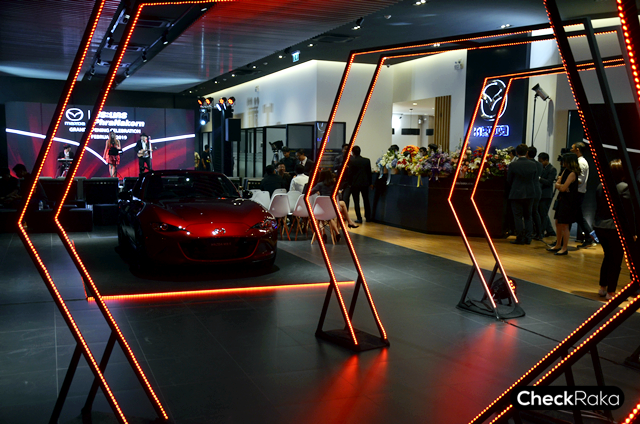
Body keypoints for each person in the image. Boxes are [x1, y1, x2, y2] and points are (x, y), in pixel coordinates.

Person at [594, 159, 635, 300]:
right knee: (616, 261)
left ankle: (602, 288)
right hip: (614, 228)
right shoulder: (624, 187)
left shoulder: (601, 186)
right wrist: (632, 232)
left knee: (607, 257)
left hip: (599, 226)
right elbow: (628, 212)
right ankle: (611, 292)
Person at [310, 169, 359, 243]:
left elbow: (310, 192)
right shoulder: (334, 184)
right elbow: (339, 196)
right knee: (335, 211)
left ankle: (323, 233)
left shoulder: (320, 185)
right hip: (333, 209)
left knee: (320, 216)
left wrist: (317, 192)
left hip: (322, 210)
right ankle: (343, 226)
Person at [547, 153, 580, 256]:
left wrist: (560, 185)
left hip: (568, 202)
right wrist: (560, 185)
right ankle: (558, 245)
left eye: (564, 161)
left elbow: (562, 187)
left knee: (565, 225)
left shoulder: (573, 173)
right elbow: (559, 185)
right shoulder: (565, 171)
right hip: (562, 199)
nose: (562, 162)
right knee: (557, 222)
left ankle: (564, 248)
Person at [507, 144, 537, 245]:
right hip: (530, 192)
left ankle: (520, 238)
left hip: (516, 193)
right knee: (528, 216)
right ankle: (528, 238)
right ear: (527, 152)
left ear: (516, 153)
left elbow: (509, 180)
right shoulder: (533, 164)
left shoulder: (513, 165)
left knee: (518, 217)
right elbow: (534, 178)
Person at [571, 141, 597, 248]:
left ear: (577, 150)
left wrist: (568, 180)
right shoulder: (580, 161)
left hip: (577, 193)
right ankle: (590, 237)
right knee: (579, 218)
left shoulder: (581, 162)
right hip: (577, 193)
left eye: (572, 148)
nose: (571, 150)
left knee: (576, 218)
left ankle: (591, 237)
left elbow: (580, 180)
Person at [348, 145, 373, 224]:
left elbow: (350, 174)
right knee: (366, 200)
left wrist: (349, 183)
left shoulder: (352, 161)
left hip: (355, 184)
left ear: (353, 152)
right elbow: (369, 173)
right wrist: (370, 183)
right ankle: (368, 217)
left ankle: (359, 218)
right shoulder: (367, 161)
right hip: (365, 183)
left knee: (356, 201)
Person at [538, 152, 558, 238]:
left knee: (543, 214)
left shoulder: (552, 169)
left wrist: (539, 178)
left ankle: (541, 232)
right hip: (540, 194)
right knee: (542, 213)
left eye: (541, 161)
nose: (540, 163)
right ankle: (550, 230)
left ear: (546, 160)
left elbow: (549, 182)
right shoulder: (541, 168)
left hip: (546, 195)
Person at [528, 146, 543, 240]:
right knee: (535, 212)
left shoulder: (528, 164)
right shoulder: (539, 164)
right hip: (537, 189)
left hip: (529, 190)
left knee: (530, 213)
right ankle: (539, 232)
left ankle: (530, 233)